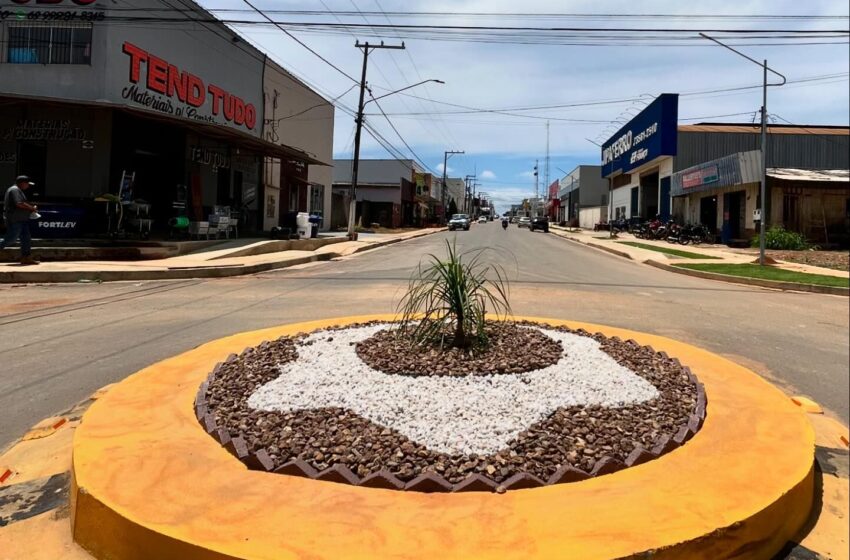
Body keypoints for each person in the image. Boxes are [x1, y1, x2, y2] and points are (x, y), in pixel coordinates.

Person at [1, 175, 40, 265]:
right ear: (22, 183)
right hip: (15, 219)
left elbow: (21, 203)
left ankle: (26, 257)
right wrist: (31, 208)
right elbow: (19, 204)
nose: (28, 186)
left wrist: (31, 208)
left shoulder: (18, 190)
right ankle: (26, 257)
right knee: (10, 239)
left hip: (22, 219)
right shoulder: (14, 190)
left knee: (26, 238)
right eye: (27, 184)